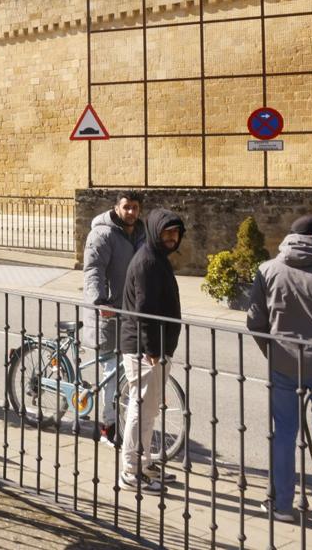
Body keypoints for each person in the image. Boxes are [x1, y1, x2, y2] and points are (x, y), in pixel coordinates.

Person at [247, 215, 312, 524]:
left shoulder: (268, 269)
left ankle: (282, 505)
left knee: (283, 434)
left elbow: (255, 321)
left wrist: (273, 352)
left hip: (284, 365)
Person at [118, 208, 185, 493]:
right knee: (141, 409)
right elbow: (143, 311)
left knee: (149, 410)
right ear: (155, 232)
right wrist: (153, 350)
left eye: (176, 233)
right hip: (145, 350)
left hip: (156, 348)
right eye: (166, 232)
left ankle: (144, 463)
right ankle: (131, 471)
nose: (172, 238)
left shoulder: (158, 259)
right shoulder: (147, 261)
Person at [81, 191, 145, 447]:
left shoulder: (141, 234)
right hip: (107, 313)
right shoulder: (102, 234)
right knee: (112, 372)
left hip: (130, 313)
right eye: (126, 207)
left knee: (127, 372)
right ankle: (108, 428)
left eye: (135, 207)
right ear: (116, 208)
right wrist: (99, 301)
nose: (131, 212)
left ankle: (123, 421)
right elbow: (93, 269)